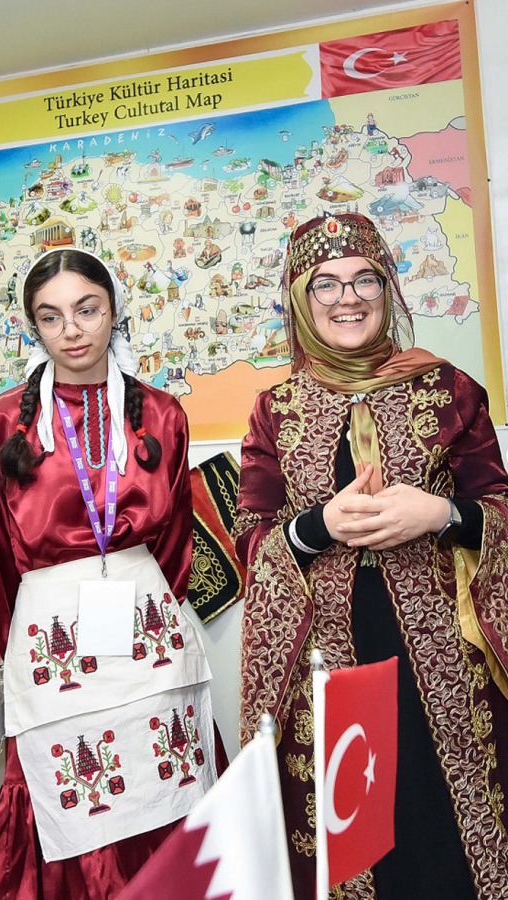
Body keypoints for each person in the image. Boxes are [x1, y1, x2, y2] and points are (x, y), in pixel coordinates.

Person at [234, 212, 508, 899]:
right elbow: (251, 533)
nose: (347, 298)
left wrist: (441, 513)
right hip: (329, 665)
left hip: (446, 660)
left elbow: (502, 505)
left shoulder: (449, 390)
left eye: (364, 280)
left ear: (389, 292)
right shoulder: (276, 409)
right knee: (360, 828)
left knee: (440, 825)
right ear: (299, 301)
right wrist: (316, 526)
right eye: (323, 285)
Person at [0, 247, 215, 899]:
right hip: (52, 638)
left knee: (161, 791)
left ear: (114, 311)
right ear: (34, 328)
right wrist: (10, 643)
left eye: (87, 309)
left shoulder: (162, 413)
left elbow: (176, 542)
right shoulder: (5, 420)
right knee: (70, 800)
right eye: (50, 318)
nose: (72, 330)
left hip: (146, 636)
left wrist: (138, 601)